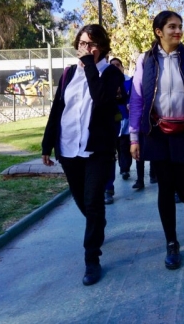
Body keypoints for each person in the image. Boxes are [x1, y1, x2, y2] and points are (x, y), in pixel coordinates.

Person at [41, 24, 126, 286]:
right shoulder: (67, 74)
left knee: (92, 200)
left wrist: (90, 64)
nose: (86, 49)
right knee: (82, 200)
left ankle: (92, 258)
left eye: (91, 45)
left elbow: (100, 99)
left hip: (97, 149)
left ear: (101, 46)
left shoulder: (111, 74)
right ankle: (97, 225)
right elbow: (58, 110)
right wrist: (47, 144)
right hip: (68, 148)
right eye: (82, 44)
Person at [129, 10, 184, 270]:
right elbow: (138, 98)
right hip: (157, 134)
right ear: (158, 31)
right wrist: (134, 137)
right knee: (164, 189)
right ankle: (172, 243)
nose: (177, 31)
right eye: (171, 27)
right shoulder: (146, 60)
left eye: (180, 26)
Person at [110, 58, 132, 182]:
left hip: (126, 118)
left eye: (118, 65)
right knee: (116, 145)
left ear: (122, 67)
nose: (116, 67)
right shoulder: (106, 80)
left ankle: (125, 169)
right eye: (113, 65)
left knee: (124, 145)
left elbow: (133, 95)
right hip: (112, 119)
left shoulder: (129, 80)